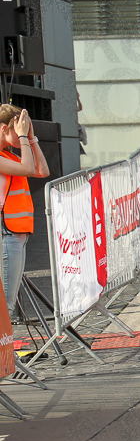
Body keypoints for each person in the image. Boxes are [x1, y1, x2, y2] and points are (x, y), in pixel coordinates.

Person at [0, 104, 50, 319]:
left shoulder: (8, 157)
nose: (23, 130)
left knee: (6, 304)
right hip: (6, 235)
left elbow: (42, 171)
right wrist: (23, 137)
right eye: (17, 127)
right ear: (4, 129)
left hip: (14, 234)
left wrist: (30, 138)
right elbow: (28, 169)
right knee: (6, 306)